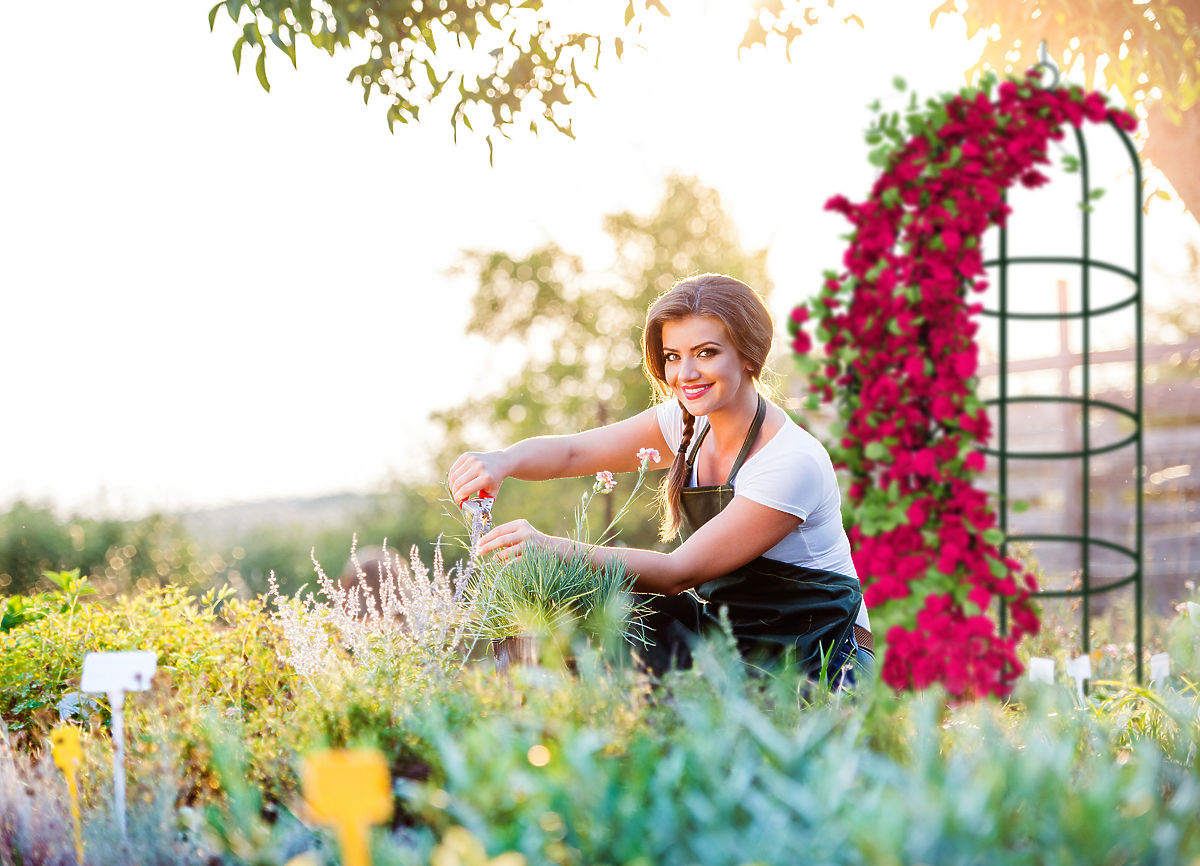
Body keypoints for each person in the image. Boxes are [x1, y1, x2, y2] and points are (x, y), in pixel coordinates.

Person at [448, 273, 872, 681]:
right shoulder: (687, 422)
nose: (685, 374)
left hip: (818, 655)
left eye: (706, 352)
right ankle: (536, 719)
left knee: (605, 600)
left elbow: (677, 573)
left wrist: (552, 548)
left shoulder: (791, 461)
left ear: (749, 354)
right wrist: (502, 461)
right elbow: (573, 453)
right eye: (673, 356)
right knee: (582, 605)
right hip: (728, 634)